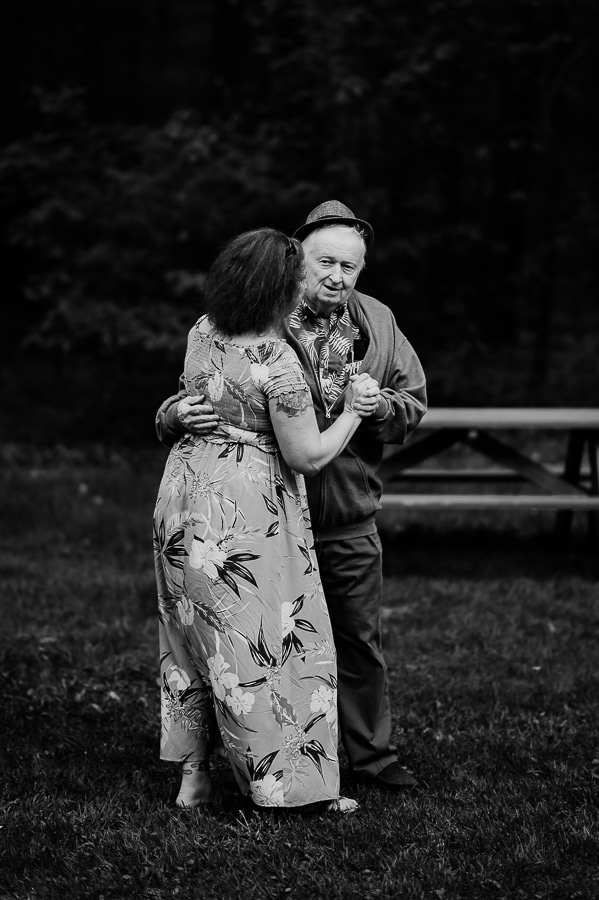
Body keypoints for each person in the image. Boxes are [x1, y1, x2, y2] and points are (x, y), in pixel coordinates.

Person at [156, 201, 427, 793]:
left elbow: (414, 403)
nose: (337, 275)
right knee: (268, 647)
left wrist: (381, 408)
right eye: (325, 261)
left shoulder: (378, 322)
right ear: (296, 261)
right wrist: (173, 413)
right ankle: (284, 766)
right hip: (271, 519)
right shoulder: (261, 322)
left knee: (356, 642)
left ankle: (369, 757)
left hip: (344, 512)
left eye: (350, 266)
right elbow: (196, 398)